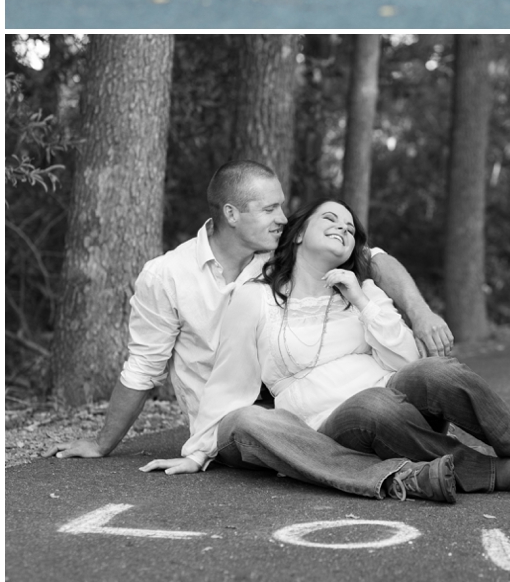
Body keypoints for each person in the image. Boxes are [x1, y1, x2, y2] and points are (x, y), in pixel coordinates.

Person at [46, 162, 456, 502]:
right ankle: (401, 477)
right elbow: (144, 366)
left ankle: (435, 455)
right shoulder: (168, 275)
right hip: (236, 423)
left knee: (387, 395)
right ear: (231, 214)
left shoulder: (279, 256)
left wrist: (420, 314)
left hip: (307, 411)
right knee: (257, 422)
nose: (283, 218)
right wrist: (103, 444)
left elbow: (375, 260)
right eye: (270, 209)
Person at [141, 198, 510, 502]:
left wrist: (364, 300)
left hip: (399, 407)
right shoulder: (255, 298)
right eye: (330, 219)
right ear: (296, 235)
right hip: (323, 427)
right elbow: (230, 379)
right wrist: (197, 451)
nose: (342, 229)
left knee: (438, 371)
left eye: (349, 229)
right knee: (248, 418)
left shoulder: (361, 290)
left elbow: (408, 364)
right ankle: (417, 476)